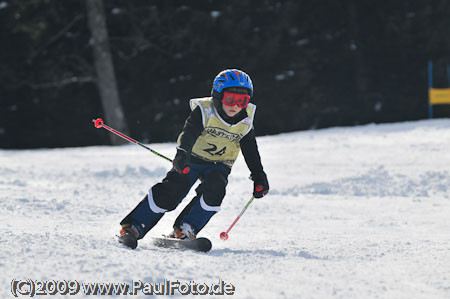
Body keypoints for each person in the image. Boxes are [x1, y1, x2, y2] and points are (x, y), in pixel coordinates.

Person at [118, 69, 269, 249]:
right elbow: (189, 133)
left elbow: (250, 149)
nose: (235, 105)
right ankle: (135, 226)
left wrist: (259, 175)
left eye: (242, 101)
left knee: (216, 190)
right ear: (218, 96)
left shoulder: (245, 120)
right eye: (230, 99)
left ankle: (185, 229)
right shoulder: (205, 111)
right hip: (192, 159)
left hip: (220, 164)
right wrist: (182, 154)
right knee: (173, 190)